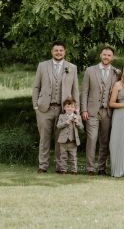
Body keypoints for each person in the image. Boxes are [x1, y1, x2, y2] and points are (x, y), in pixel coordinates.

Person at [32, 40, 79, 173]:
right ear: (52, 52)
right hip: (44, 109)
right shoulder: (42, 66)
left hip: (64, 110)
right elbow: (36, 86)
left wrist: (76, 109)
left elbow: (75, 90)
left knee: (61, 140)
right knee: (44, 138)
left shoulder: (72, 67)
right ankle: (43, 166)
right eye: (56, 50)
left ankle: (60, 167)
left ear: (64, 52)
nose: (58, 53)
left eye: (61, 50)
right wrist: (35, 105)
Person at [81, 46, 120, 175]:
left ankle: (102, 168)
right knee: (92, 139)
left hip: (108, 112)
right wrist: (83, 109)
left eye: (109, 55)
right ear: (100, 55)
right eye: (104, 54)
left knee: (105, 141)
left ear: (112, 57)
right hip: (92, 111)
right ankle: (90, 168)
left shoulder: (116, 73)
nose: (106, 57)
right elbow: (84, 92)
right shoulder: (90, 71)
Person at [56, 97, 84, 174]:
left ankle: (74, 170)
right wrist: (66, 122)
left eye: (72, 107)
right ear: (64, 108)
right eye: (68, 106)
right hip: (63, 141)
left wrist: (77, 123)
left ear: (74, 108)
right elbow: (58, 126)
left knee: (73, 157)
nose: (70, 108)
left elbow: (82, 128)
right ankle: (63, 170)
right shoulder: (61, 116)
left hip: (73, 141)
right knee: (63, 156)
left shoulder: (77, 117)